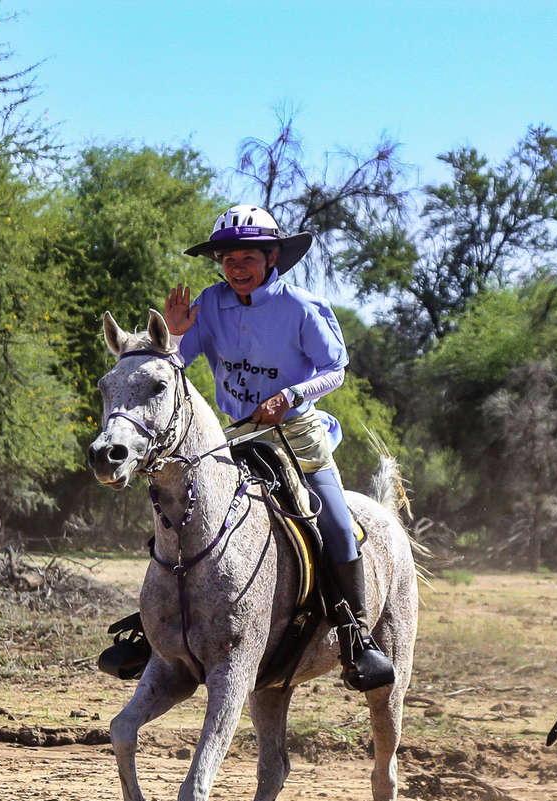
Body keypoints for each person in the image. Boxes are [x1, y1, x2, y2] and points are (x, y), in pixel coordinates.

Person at [98, 205, 394, 692]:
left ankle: (354, 635)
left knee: (337, 525)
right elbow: (168, 371)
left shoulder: (303, 308)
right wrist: (173, 334)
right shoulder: (210, 305)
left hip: (297, 434)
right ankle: (156, 631)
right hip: (233, 437)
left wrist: (291, 396)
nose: (236, 267)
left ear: (272, 256)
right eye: (227, 258)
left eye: (247, 257)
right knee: (179, 513)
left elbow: (335, 369)